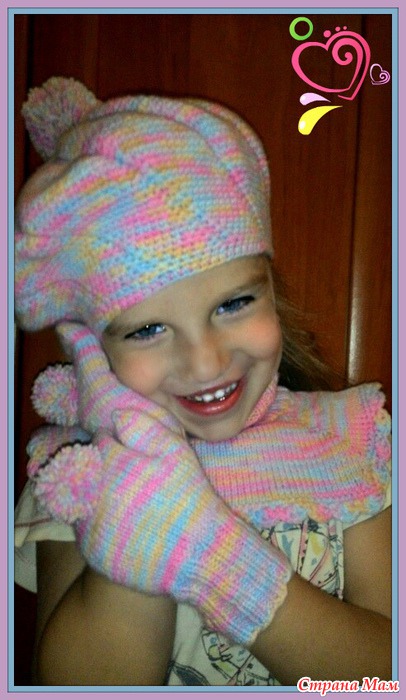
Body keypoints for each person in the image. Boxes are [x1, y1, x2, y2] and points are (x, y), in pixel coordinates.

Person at [14, 77, 392, 687]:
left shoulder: (351, 439)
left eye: (233, 303)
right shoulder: (76, 471)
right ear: (88, 346)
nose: (207, 363)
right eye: (147, 329)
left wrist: (215, 559)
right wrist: (134, 486)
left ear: (270, 287)